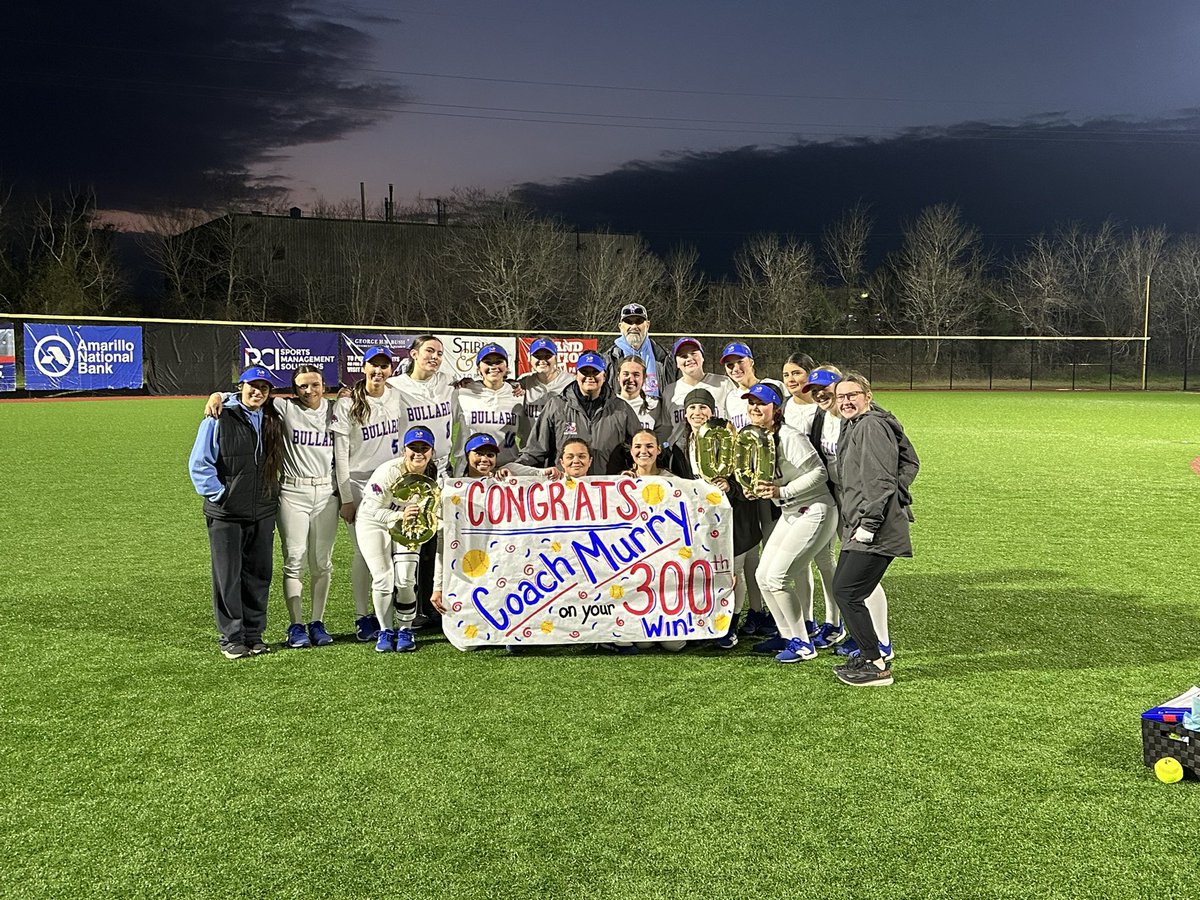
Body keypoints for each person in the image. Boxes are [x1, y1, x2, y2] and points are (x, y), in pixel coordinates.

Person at [202, 365, 339, 649]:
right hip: (291, 490)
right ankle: (294, 626)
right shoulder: (283, 408)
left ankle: (316, 622)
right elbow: (248, 395)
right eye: (302, 386)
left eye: (315, 384)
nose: (309, 390)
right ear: (294, 389)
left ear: (325, 385)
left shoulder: (337, 409)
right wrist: (218, 395)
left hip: (322, 492)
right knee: (294, 561)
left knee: (321, 563)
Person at [188, 366, 285, 660]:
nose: (257, 392)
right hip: (227, 513)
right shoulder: (219, 416)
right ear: (240, 387)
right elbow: (199, 463)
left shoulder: (271, 418)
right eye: (252, 386)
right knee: (227, 576)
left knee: (259, 574)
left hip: (262, 509)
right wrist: (222, 495)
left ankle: (254, 634)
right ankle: (231, 637)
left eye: (264, 388)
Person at [829, 372, 919, 687]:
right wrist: (900, 492)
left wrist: (871, 522)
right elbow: (911, 462)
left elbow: (880, 480)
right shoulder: (857, 424)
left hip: (874, 526)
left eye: (852, 395)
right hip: (863, 521)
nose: (846, 401)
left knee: (847, 591)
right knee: (848, 589)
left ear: (868, 396)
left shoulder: (870, 426)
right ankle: (870, 655)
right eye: (841, 397)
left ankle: (875, 664)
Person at [740, 382, 837, 664]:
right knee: (762, 576)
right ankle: (787, 635)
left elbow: (819, 473)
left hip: (815, 509)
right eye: (751, 403)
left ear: (776, 408)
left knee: (777, 578)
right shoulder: (757, 437)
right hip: (791, 512)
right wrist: (754, 489)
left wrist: (783, 492)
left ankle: (803, 644)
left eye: (761, 403)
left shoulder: (788, 435)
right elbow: (769, 479)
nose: (755, 408)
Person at [664, 388, 761, 649]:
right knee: (707, 571)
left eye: (703, 408)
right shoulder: (679, 446)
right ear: (685, 414)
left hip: (735, 516)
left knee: (733, 572)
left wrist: (731, 487)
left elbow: (747, 477)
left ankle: (731, 625)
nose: (697, 413)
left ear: (713, 412)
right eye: (692, 408)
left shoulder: (731, 439)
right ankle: (708, 620)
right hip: (700, 520)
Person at [331, 346, 404, 642]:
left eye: (384, 366)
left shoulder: (397, 394)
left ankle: (396, 611)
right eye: (373, 365)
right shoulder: (347, 403)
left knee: (395, 550)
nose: (379, 371)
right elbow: (341, 454)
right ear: (363, 367)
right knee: (365, 552)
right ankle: (363, 615)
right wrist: (346, 497)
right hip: (361, 484)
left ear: (391, 369)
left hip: (396, 482)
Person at [356, 426, 440, 653]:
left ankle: (405, 629)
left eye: (424, 448)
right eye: (413, 448)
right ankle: (385, 630)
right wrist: (399, 515)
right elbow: (372, 509)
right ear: (404, 449)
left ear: (432, 450)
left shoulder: (436, 474)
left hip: (408, 524)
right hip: (375, 522)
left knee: (405, 579)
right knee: (383, 578)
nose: (418, 453)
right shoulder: (389, 471)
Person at [718, 341, 777, 638]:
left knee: (774, 552)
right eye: (729, 365)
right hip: (745, 487)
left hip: (772, 482)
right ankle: (758, 612)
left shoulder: (771, 386)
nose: (735, 368)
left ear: (752, 361)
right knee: (752, 552)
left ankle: (781, 616)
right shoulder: (730, 398)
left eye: (740, 361)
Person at [515, 351, 641, 476]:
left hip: (608, 490)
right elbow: (535, 451)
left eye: (595, 372)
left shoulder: (621, 409)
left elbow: (639, 450)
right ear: (576, 375)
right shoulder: (557, 406)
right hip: (566, 489)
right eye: (584, 372)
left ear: (604, 376)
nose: (590, 377)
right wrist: (513, 470)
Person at [452, 343, 527, 474]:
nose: (493, 366)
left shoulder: (518, 395)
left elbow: (527, 438)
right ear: (478, 369)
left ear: (506, 367)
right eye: (487, 362)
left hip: (506, 469)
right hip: (468, 469)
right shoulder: (462, 392)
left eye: (499, 362)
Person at [605, 302, 678, 398]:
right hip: (622, 410)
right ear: (620, 327)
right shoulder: (610, 359)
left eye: (639, 321)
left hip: (655, 410)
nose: (634, 326)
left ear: (647, 325)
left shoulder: (663, 357)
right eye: (629, 322)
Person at [661, 337, 731, 430]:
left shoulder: (723, 384)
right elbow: (665, 428)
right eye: (683, 356)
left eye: (693, 353)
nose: (689, 359)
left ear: (702, 357)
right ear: (677, 364)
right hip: (679, 444)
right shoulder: (670, 391)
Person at [518, 336, 574, 430]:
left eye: (547, 356)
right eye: (537, 356)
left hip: (560, 443)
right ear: (530, 358)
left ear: (556, 358)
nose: (542, 360)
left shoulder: (570, 382)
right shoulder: (524, 382)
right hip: (531, 444)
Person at [614, 356, 666, 438]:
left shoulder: (654, 406)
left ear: (644, 378)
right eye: (626, 374)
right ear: (618, 376)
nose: (630, 379)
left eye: (636, 375)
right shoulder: (608, 406)